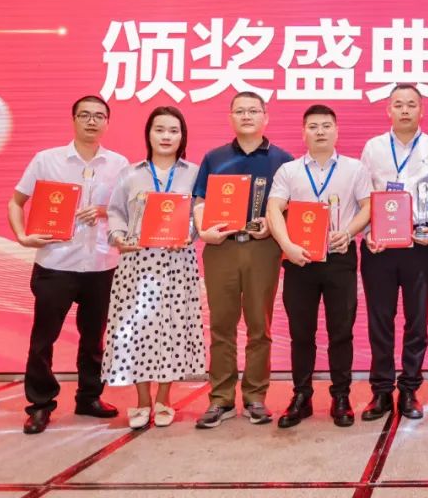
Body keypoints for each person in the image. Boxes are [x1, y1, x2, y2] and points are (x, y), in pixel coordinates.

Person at [8, 95, 129, 434]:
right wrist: (22, 236)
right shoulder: (47, 160)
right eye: (85, 115)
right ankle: (40, 404)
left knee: (94, 339)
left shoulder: (119, 164)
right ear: (73, 119)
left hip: (101, 265)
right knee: (43, 338)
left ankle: (89, 397)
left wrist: (103, 211)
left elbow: (128, 211)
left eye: (99, 116)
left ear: (107, 122)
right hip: (56, 264)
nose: (92, 121)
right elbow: (16, 201)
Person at [192, 91, 293, 429]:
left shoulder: (283, 160)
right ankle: (220, 398)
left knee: (259, 326)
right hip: (221, 248)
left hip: (263, 248)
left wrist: (272, 224)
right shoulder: (214, 157)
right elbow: (199, 201)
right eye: (240, 111)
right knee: (221, 325)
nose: (246, 116)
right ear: (231, 117)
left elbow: (291, 207)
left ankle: (255, 397)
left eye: (253, 110)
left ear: (266, 116)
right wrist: (203, 229)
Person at [268, 104, 372, 428]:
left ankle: (341, 396)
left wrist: (348, 232)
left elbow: (369, 206)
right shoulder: (289, 170)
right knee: (301, 333)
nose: (320, 131)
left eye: (326, 125)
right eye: (313, 126)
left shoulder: (355, 169)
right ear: (304, 133)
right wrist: (287, 245)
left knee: (341, 331)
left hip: (339, 256)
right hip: (299, 259)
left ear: (336, 131)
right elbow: (274, 209)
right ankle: (302, 396)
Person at [103, 106, 205, 429]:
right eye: (159, 129)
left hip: (177, 263)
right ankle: (142, 400)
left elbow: (201, 212)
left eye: (173, 130)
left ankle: (164, 398)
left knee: (172, 329)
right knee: (138, 330)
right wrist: (119, 236)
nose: (166, 136)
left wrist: (189, 234)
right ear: (148, 134)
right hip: (138, 261)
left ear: (182, 136)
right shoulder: (131, 173)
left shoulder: (194, 173)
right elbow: (115, 211)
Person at [358, 84, 428, 421]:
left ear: (422, 110)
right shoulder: (373, 147)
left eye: (411, 104)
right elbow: (364, 195)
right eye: (398, 104)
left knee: (417, 320)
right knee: (380, 320)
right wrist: (368, 234)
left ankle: (409, 388)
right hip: (379, 247)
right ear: (389, 110)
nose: (405, 110)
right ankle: (381, 391)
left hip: (420, 244)